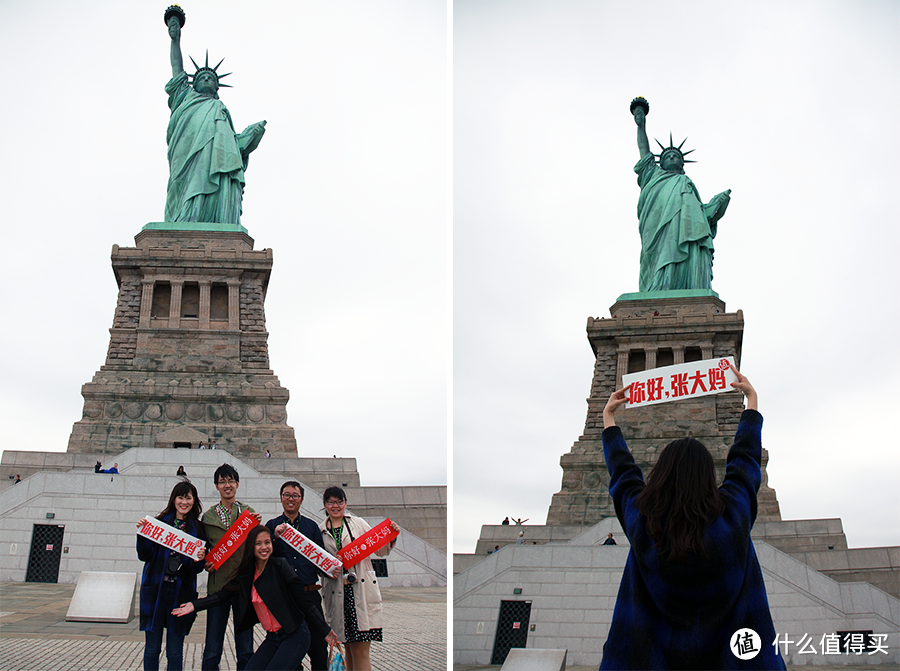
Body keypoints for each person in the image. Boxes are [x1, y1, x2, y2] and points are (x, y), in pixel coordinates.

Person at [598, 369, 785, 670]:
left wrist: (608, 419)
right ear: (709, 478)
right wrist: (751, 401)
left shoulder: (643, 524)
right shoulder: (734, 518)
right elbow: (744, 464)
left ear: (660, 476)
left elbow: (623, 474)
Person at [173, 525, 337, 671]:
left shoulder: (280, 566)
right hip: (273, 638)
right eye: (258, 544)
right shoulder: (247, 574)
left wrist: (324, 630)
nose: (264, 547)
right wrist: (194, 605)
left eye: (267, 542)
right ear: (251, 546)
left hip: (295, 635)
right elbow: (222, 595)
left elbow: (304, 601)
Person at [165, 16, 266, 225]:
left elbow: (233, 148)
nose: (207, 79)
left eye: (211, 78)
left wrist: (250, 137)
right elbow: (176, 66)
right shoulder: (185, 97)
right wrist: (175, 40)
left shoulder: (220, 110)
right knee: (183, 191)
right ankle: (184, 221)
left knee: (218, 181)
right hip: (187, 156)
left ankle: (216, 224)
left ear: (217, 89)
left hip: (216, 160)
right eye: (202, 77)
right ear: (194, 84)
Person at [631, 99, 731, 292]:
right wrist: (641, 125)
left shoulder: (687, 184)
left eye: (676, 156)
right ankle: (658, 287)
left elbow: (702, 217)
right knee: (659, 256)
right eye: (667, 156)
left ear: (682, 165)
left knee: (688, 246)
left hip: (686, 230)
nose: (672, 157)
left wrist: (716, 205)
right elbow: (643, 149)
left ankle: (686, 287)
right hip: (657, 228)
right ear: (661, 163)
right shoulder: (653, 174)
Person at [320, 486, 399, 671]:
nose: (335, 505)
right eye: (331, 502)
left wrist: (391, 536)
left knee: (361, 651)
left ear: (345, 503)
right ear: (324, 505)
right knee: (347, 649)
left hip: (359, 593)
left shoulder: (358, 523)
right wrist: (331, 563)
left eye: (339, 501)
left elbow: (380, 550)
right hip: (337, 596)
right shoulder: (320, 530)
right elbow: (318, 564)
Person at [266, 482, 340, 671]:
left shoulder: (311, 526)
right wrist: (274, 537)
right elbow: (265, 559)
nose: (290, 499)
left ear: (302, 499)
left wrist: (332, 569)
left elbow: (320, 560)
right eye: (287, 495)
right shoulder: (272, 526)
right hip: (285, 599)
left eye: (295, 496)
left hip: (309, 596)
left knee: (318, 649)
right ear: (281, 497)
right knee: (289, 653)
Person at [136, 481, 207, 671]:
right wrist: (142, 535)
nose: (184, 502)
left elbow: (196, 568)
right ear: (174, 499)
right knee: (152, 649)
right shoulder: (158, 524)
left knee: (175, 652)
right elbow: (145, 555)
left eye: (188, 498)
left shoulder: (198, 529)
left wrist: (199, 559)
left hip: (180, 594)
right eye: (180, 497)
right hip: (156, 592)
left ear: (194, 501)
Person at [200, 464, 261, 671]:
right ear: (216, 486)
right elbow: (201, 548)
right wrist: (204, 562)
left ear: (237, 484)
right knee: (212, 647)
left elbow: (259, 548)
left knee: (245, 648)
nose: (227, 485)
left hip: (243, 587)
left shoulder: (249, 514)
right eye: (222, 481)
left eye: (231, 481)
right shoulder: (207, 517)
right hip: (218, 587)